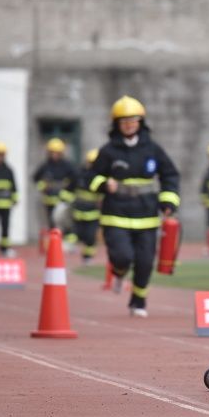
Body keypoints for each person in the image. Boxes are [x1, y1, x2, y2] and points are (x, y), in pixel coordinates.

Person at [89, 95, 180, 318]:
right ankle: (118, 272)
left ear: (141, 122)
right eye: (124, 121)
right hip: (115, 215)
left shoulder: (153, 150)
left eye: (133, 120)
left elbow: (170, 175)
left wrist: (168, 200)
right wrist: (103, 183)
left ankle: (138, 301)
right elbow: (89, 177)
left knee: (145, 262)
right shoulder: (108, 151)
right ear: (117, 125)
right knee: (122, 256)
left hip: (147, 214)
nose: (129, 125)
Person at [32, 137, 77, 231]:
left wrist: (67, 191)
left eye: (57, 153)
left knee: (63, 221)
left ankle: (65, 242)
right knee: (51, 223)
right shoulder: (45, 166)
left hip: (63, 200)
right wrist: (42, 186)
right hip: (49, 200)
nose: (54, 155)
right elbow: (35, 178)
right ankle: (54, 243)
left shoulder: (67, 166)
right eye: (52, 152)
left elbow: (75, 179)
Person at [69, 149, 104, 265]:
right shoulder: (79, 175)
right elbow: (70, 189)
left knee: (90, 237)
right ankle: (72, 250)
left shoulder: (100, 178)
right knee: (77, 234)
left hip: (93, 213)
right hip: (78, 212)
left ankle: (88, 257)